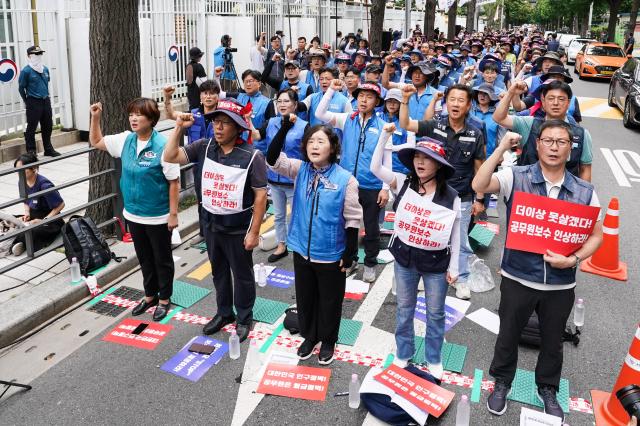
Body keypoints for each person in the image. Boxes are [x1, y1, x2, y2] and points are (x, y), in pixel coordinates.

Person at [472, 123, 603, 422]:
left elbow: (596, 236)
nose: (554, 146)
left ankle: (548, 388)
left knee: (553, 341)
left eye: (562, 141)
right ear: (539, 144)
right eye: (548, 140)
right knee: (507, 334)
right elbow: (479, 185)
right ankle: (502, 382)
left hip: (559, 285)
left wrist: (573, 260)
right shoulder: (515, 177)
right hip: (518, 277)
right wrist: (501, 149)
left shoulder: (584, 191)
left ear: (571, 148)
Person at [164, 98, 267, 343]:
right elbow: (170, 156)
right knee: (218, 272)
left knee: (242, 275)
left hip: (237, 228)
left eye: (225, 123)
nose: (218, 128)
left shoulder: (252, 156)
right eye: (216, 122)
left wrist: (254, 232)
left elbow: (261, 196)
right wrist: (179, 127)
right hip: (210, 224)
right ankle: (224, 313)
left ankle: (244, 317)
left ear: (238, 128)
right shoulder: (204, 146)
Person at [370, 124, 460, 379]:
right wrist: (385, 136)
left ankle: (434, 357)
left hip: (435, 264)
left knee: (435, 312)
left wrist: (454, 267)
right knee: (404, 308)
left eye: (427, 159)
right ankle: (403, 353)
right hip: (405, 260)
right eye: (417, 157)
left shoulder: (450, 196)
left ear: (439, 165)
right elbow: (375, 168)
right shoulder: (403, 182)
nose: (420, 163)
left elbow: (456, 233)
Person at [266, 124, 362, 364]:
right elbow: (273, 159)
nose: (314, 146)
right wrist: (285, 127)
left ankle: (328, 339)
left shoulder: (345, 180)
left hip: (330, 252)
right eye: (310, 142)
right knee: (305, 298)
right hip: (301, 248)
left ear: (332, 148)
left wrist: (350, 252)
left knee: (330, 301)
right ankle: (309, 336)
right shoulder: (300, 170)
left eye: (320, 142)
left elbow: (352, 218)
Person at [89, 99, 180, 322]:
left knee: (162, 259)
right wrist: (95, 117)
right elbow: (97, 141)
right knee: (145, 258)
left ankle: (165, 299)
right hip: (133, 214)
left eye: (139, 115)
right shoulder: (125, 140)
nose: (133, 118)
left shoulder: (163, 144)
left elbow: (174, 182)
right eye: (131, 114)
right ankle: (149, 295)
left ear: (151, 119)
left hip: (158, 215)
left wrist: (173, 214)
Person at [400, 84, 486, 299]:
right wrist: (404, 100)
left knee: (461, 240)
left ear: (468, 105)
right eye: (452, 99)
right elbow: (406, 124)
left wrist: (480, 198)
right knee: (429, 237)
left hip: (462, 196)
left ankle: (462, 278)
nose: (455, 104)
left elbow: (480, 169)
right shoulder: (434, 125)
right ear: (445, 103)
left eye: (461, 100)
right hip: (432, 195)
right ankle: (424, 274)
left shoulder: (476, 133)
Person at [316, 79, 390, 283]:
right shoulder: (348, 119)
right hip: (347, 183)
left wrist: (385, 188)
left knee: (372, 227)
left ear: (377, 101)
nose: (363, 100)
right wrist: (331, 89)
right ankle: (351, 260)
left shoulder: (384, 127)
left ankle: (370, 263)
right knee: (348, 225)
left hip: (372, 185)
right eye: (360, 96)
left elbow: (387, 159)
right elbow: (320, 114)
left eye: (369, 97)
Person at [250, 88, 309, 263]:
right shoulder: (271, 122)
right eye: (279, 101)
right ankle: (281, 245)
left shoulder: (304, 126)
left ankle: (301, 246)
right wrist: (247, 120)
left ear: (295, 104)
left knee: (299, 215)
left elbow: (309, 155)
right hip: (273, 180)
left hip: (294, 180)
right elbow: (256, 135)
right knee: (279, 215)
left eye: (286, 101)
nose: (282, 105)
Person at [493, 80, 592, 181]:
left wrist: (583, 195)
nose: (556, 103)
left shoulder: (582, 134)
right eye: (551, 98)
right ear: (543, 101)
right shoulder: (529, 124)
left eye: (561, 99)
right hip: (529, 192)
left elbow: (585, 168)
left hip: (565, 194)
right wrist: (511, 92)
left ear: (568, 103)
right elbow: (499, 118)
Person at [10, 152, 65, 256]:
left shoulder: (44, 185)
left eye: (23, 169)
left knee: (33, 231)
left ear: (34, 168)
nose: (19, 172)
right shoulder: (21, 181)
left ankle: (22, 244)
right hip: (33, 215)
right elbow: (25, 200)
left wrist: (43, 220)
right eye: (17, 170)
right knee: (13, 220)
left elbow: (61, 204)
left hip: (50, 218)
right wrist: (27, 213)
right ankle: (21, 243)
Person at [17, 46, 61, 157]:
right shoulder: (26, 71)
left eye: (40, 53)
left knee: (48, 125)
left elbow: (46, 82)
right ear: (29, 56)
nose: (38, 56)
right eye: (35, 54)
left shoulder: (45, 69)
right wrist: (27, 101)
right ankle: (31, 151)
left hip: (45, 100)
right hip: (33, 101)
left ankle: (48, 148)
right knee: (32, 127)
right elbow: (21, 88)